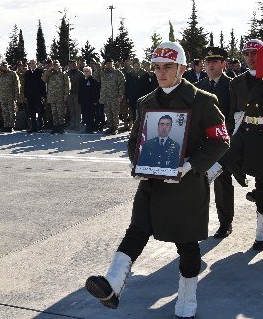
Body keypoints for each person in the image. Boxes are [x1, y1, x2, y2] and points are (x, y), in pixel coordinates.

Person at [85, 41, 229, 318]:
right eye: (157, 67)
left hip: (185, 185)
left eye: (168, 67)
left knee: (186, 244)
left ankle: (187, 300)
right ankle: (112, 284)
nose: (161, 73)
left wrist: (189, 166)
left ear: (182, 69)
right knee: (136, 230)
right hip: (151, 181)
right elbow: (135, 139)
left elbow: (221, 141)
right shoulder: (146, 102)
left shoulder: (202, 101)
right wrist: (137, 160)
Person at [208, 39, 263, 250]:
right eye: (248, 54)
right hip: (244, 132)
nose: (251, 58)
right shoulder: (238, 82)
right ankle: (201, 179)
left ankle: (262, 233)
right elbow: (235, 113)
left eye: (256, 53)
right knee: (221, 162)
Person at [195, 47, 233, 238]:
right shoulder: (200, 86)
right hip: (203, 144)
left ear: (223, 64)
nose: (210, 65)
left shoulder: (231, 86)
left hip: (223, 143)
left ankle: (225, 223)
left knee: (222, 184)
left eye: (215, 62)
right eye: (208, 61)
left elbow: (235, 117)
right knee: (199, 184)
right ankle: (199, 223)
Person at [42, 60, 69, 134]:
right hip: (52, 96)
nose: (55, 66)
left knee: (60, 113)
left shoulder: (63, 74)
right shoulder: (50, 73)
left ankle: (61, 127)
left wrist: (66, 96)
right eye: (54, 65)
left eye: (56, 65)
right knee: (54, 113)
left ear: (59, 66)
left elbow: (67, 86)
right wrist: (48, 71)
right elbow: (44, 79)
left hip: (60, 97)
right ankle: (55, 127)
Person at [99, 58, 125, 135]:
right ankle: (110, 127)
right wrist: (101, 67)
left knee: (115, 113)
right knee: (108, 113)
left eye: (110, 63)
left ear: (113, 64)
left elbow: (121, 85)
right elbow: (94, 75)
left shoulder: (117, 73)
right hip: (105, 97)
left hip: (114, 97)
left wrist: (120, 95)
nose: (109, 65)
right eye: (107, 63)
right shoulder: (102, 72)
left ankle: (115, 128)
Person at [0, 62, 20, 132]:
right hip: (2, 96)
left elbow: (17, 85)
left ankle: (11, 126)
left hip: (10, 96)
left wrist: (16, 96)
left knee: (11, 112)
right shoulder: (0, 74)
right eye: (2, 66)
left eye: (4, 66)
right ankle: (6, 125)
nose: (3, 67)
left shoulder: (12, 73)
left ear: (7, 66)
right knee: (4, 112)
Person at [23, 59, 46, 133]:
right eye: (30, 63)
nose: (31, 64)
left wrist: (43, 95)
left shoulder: (40, 72)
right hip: (30, 96)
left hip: (38, 95)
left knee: (40, 112)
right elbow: (25, 84)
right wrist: (25, 95)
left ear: (36, 64)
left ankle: (40, 127)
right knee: (32, 112)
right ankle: (33, 127)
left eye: (33, 63)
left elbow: (43, 84)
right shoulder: (27, 73)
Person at [78, 66, 100, 133]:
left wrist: (95, 101)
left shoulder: (94, 81)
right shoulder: (82, 81)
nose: (86, 73)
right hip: (84, 101)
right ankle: (87, 128)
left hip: (91, 102)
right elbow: (80, 91)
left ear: (90, 72)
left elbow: (96, 91)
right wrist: (80, 100)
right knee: (85, 115)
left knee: (91, 115)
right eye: (84, 71)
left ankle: (91, 129)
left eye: (87, 71)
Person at [66, 60, 84, 131]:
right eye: (71, 64)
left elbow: (83, 85)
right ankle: (72, 124)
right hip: (70, 95)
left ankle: (78, 124)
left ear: (77, 65)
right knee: (72, 110)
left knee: (78, 110)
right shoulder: (67, 74)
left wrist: (81, 95)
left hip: (77, 94)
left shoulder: (80, 74)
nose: (73, 66)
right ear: (69, 65)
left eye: (74, 64)